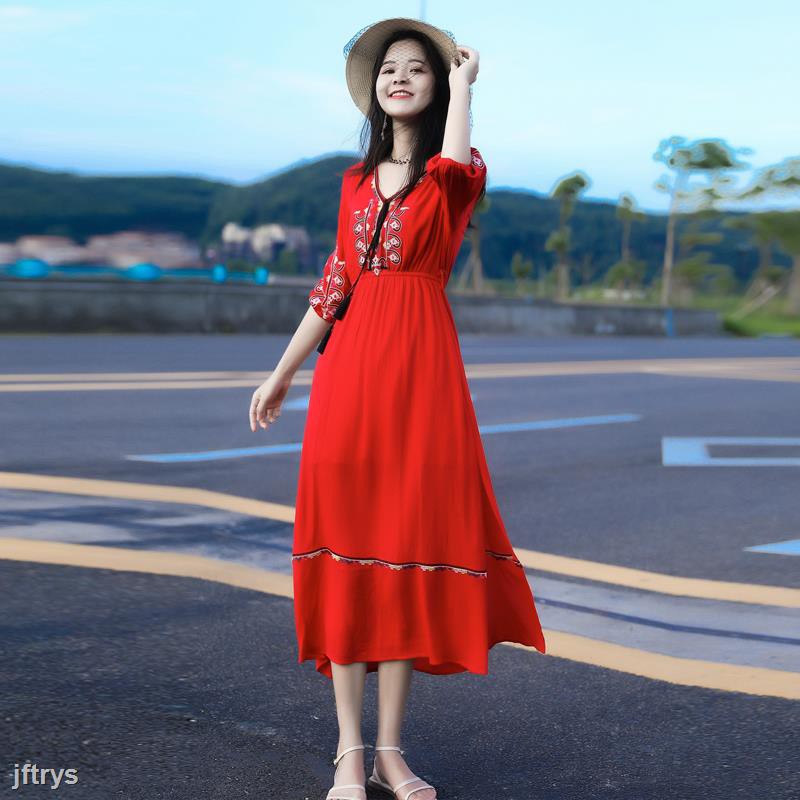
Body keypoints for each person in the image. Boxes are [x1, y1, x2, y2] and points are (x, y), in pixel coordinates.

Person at [248, 17, 546, 800]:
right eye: (389, 70)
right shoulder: (351, 184)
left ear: (438, 86)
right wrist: (282, 373)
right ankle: (349, 751)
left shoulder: (456, 174)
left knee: (403, 550)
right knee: (346, 549)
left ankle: (390, 751)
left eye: (418, 69)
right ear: (375, 91)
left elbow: (451, 159)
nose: (400, 78)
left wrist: (467, 86)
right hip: (349, 376)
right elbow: (332, 286)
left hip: (422, 376)